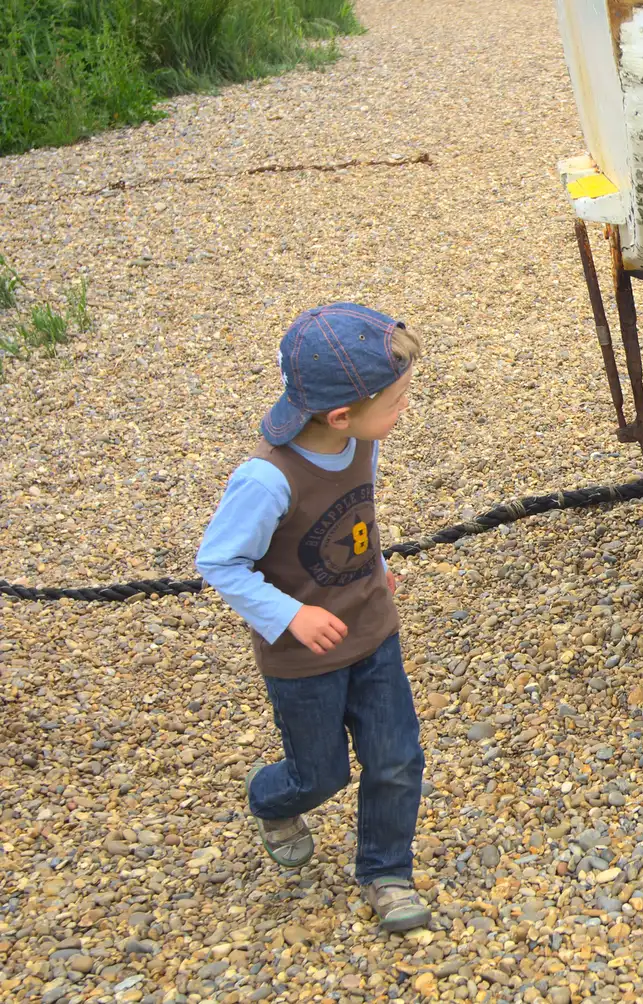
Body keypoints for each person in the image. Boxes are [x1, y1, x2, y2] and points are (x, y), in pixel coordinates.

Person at [195, 303, 429, 933]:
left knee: (397, 759)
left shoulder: (359, 445)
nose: (405, 408)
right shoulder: (266, 480)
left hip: (373, 632)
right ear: (339, 414)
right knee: (319, 774)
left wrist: (375, 568)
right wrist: (290, 615)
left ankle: (386, 871)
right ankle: (272, 800)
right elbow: (219, 561)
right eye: (398, 400)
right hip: (304, 660)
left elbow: (355, 521)